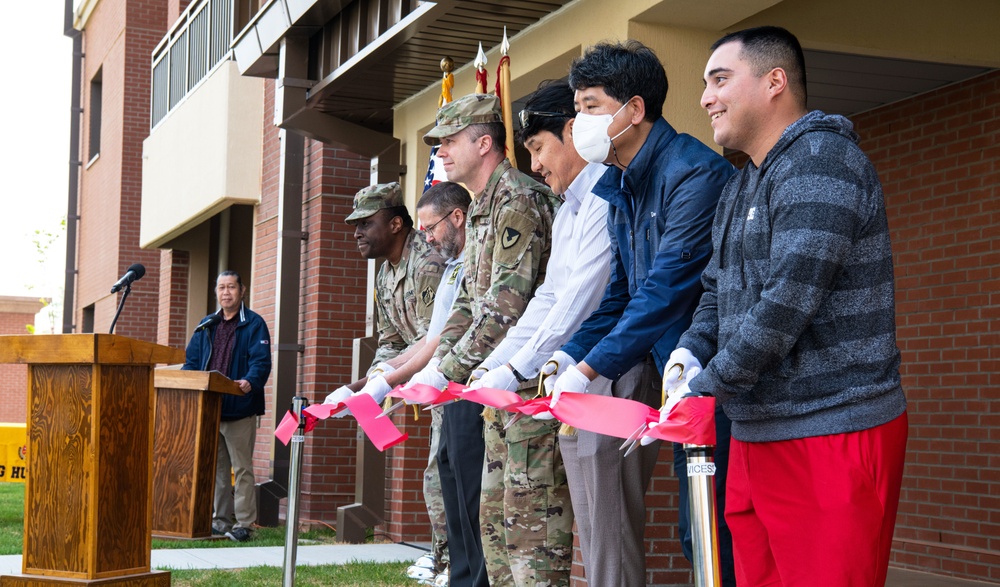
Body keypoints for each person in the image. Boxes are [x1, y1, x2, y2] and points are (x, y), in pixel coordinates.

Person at [660, 26, 908, 586]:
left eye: (719, 79)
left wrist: (705, 388)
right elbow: (716, 292)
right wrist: (689, 353)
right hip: (756, 433)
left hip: (831, 431)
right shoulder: (741, 183)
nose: (705, 98)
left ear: (775, 82)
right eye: (705, 83)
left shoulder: (824, 160)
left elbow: (786, 303)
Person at [544, 40, 737, 586]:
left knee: (715, 530)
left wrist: (589, 370)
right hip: (679, 391)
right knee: (693, 531)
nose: (578, 122)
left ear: (632, 110)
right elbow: (621, 295)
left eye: (589, 106)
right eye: (576, 108)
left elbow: (666, 290)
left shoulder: (694, 174)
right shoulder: (620, 185)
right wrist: (569, 354)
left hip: (718, 377)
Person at [410, 93, 560, 587]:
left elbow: (505, 306)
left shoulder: (516, 199)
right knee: (492, 528)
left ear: (484, 142)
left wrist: (446, 371)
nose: (441, 153)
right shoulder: (480, 208)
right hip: (492, 386)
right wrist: (439, 364)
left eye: (449, 141)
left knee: (528, 539)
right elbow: (469, 305)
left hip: (529, 383)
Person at [468, 80, 612, 587]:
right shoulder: (571, 205)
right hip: (546, 378)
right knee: (502, 530)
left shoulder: (600, 198)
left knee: (572, 544)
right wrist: (495, 366)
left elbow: (580, 301)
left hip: (592, 382)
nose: (535, 164)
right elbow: (547, 299)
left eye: (538, 147)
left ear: (571, 133)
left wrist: (515, 368)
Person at [324, 182, 446, 407]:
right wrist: (369, 384)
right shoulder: (384, 274)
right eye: (356, 226)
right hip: (427, 387)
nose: (356, 234)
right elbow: (391, 342)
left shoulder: (428, 263)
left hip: (453, 383)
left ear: (396, 224)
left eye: (365, 224)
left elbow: (432, 340)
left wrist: (368, 384)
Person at [183, 270, 272, 542]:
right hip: (210, 410)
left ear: (242, 290)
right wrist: (186, 384)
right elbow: (192, 361)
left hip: (240, 408)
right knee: (218, 470)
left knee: (242, 468)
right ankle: (220, 522)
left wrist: (250, 381)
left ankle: (244, 523)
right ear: (216, 292)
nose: (226, 293)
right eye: (221, 287)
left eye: (231, 287)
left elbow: (261, 361)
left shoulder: (254, 324)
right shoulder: (206, 325)